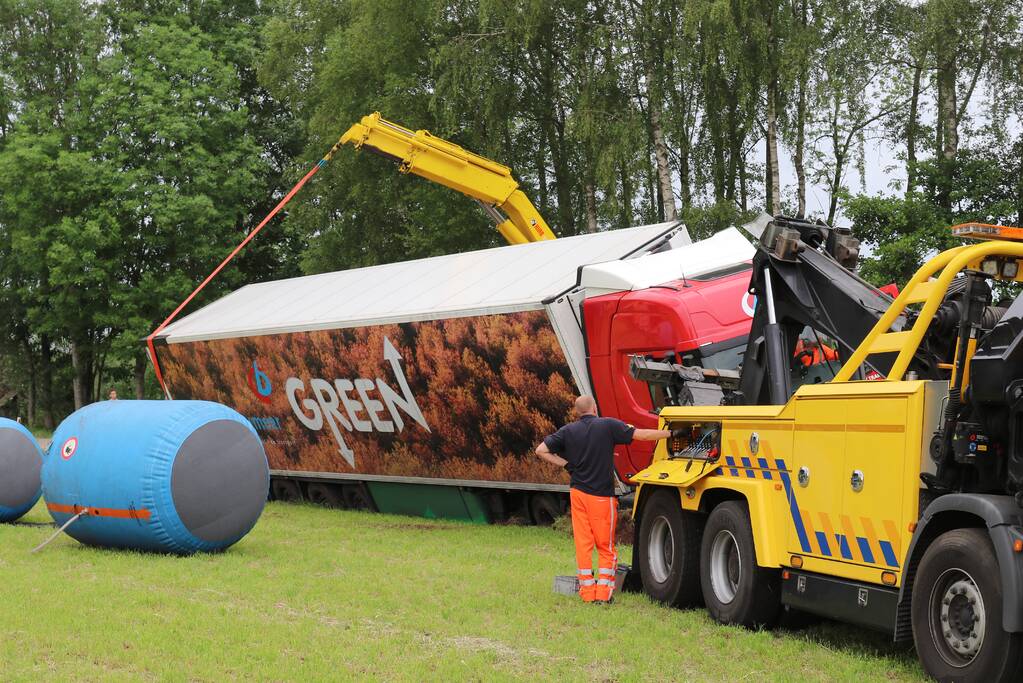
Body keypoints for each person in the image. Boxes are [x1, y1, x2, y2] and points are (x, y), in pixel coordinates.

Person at [535, 395, 677, 604]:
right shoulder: (608, 426)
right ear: (594, 408)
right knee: (605, 546)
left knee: (583, 544)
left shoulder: (568, 431)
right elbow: (643, 435)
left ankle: (587, 593)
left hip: (578, 494)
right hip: (601, 497)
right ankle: (603, 595)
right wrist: (671, 433)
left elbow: (541, 450)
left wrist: (566, 464)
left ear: (578, 412)